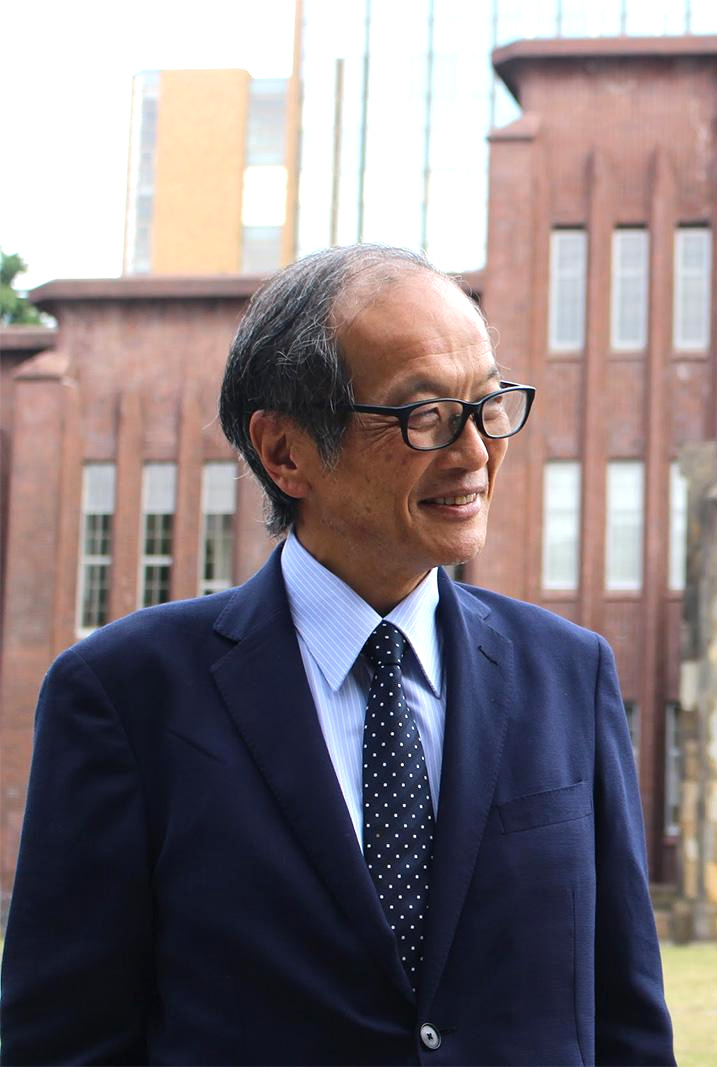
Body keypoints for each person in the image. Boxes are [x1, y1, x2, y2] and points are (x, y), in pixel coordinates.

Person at [0, 245, 675, 1065]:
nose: (474, 454)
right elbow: (63, 1043)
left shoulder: (571, 675)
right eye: (424, 415)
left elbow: (628, 1027)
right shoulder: (126, 696)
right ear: (285, 452)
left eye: (489, 403)